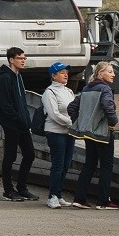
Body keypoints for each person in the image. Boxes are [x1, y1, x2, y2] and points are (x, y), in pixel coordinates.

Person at [72, 61, 119, 210]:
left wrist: (81, 122)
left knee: (89, 164)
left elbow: (71, 107)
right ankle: (103, 201)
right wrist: (113, 122)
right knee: (106, 166)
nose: (113, 75)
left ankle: (79, 198)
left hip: (88, 133)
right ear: (100, 73)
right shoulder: (105, 89)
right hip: (103, 133)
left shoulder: (86, 89)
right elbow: (108, 106)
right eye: (110, 71)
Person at [0, 48, 36, 202]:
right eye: (20, 58)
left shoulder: (18, 77)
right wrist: (18, 119)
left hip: (22, 124)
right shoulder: (5, 78)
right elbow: (5, 105)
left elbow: (22, 102)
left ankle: (22, 188)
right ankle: (8, 190)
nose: (23, 61)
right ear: (11, 60)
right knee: (10, 157)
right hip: (11, 124)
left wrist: (26, 120)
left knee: (30, 154)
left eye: (24, 58)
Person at [41, 63, 79, 209]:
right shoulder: (49, 92)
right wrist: (70, 122)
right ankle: (52, 196)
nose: (66, 75)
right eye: (62, 72)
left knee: (66, 164)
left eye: (66, 72)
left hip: (69, 132)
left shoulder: (69, 91)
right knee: (58, 164)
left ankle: (58, 194)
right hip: (55, 132)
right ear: (53, 76)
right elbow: (54, 114)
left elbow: (75, 109)